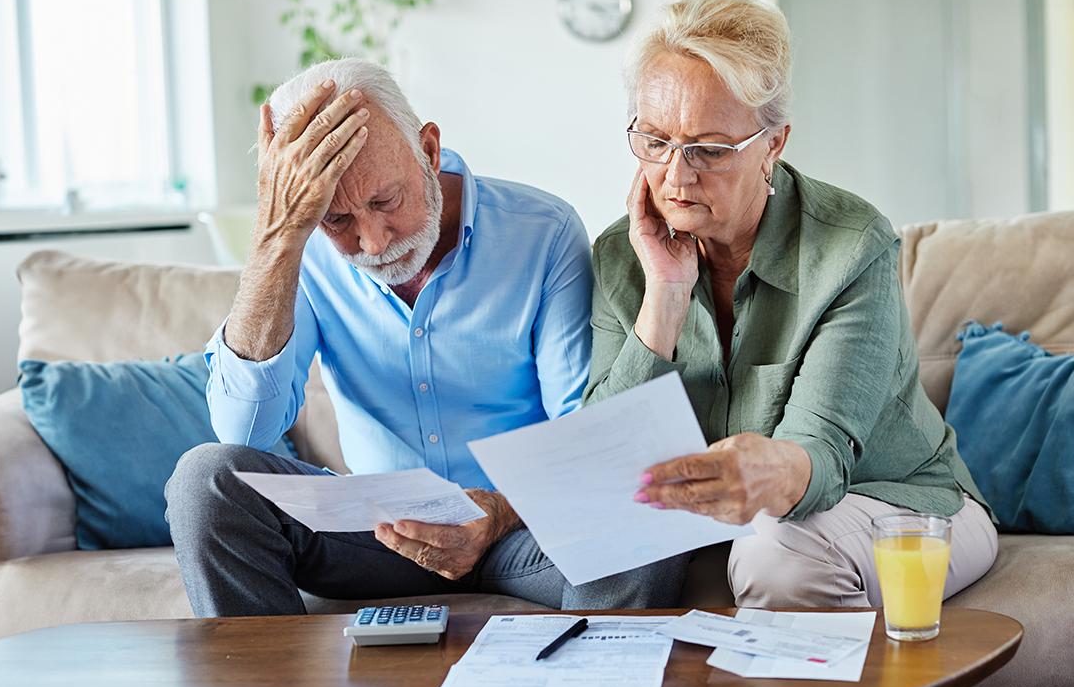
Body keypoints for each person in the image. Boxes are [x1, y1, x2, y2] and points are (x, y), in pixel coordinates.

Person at [165, 58, 687, 617]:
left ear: (429, 152)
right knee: (205, 481)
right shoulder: (300, 248)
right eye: (337, 220)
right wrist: (278, 239)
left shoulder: (543, 232)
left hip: (523, 528)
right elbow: (244, 430)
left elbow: (581, 433)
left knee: (643, 501)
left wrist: (499, 511)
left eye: (386, 202)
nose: (372, 240)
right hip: (375, 532)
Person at [585, 0, 998, 607]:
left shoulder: (850, 246)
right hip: (733, 526)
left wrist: (766, 470)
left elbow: (821, 455)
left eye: (709, 149)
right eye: (655, 140)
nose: (675, 174)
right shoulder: (624, 251)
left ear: (773, 143)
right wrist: (666, 293)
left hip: (900, 502)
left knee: (776, 552)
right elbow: (602, 462)